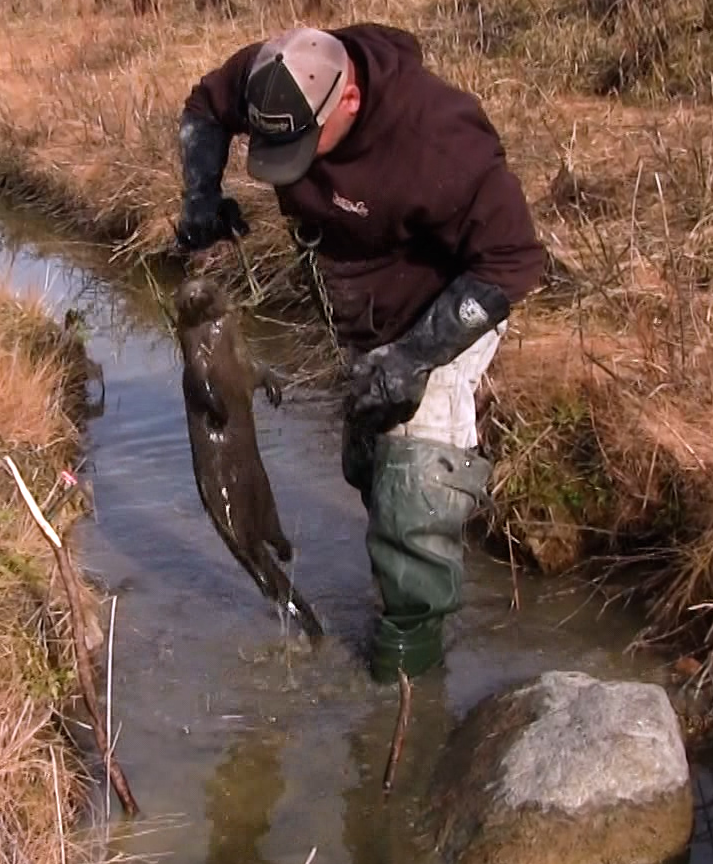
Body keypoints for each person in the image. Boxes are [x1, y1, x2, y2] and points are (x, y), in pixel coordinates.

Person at [173, 23, 546, 683]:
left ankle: (409, 665)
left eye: (301, 146)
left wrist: (413, 360)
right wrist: (201, 195)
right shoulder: (275, 74)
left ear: (346, 101)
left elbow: (512, 264)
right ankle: (403, 553)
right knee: (368, 466)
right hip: (360, 311)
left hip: (444, 310)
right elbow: (205, 106)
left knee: (413, 481)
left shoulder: (437, 138)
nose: (292, 161)